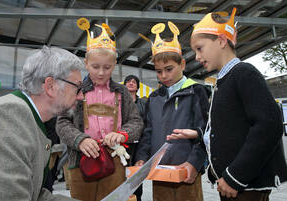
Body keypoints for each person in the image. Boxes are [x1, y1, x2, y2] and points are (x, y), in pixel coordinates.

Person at [167, 8, 287, 201]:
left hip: (246, 186)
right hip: (233, 185)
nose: (197, 57)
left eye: (200, 48)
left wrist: (235, 177)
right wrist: (199, 134)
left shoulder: (244, 73)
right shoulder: (223, 81)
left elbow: (269, 125)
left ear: (221, 41)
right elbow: (233, 127)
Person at [56, 18, 143, 201]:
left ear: (115, 65)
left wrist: (122, 134)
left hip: (115, 161)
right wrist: (80, 140)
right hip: (81, 163)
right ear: (86, 63)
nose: (101, 72)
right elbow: (62, 123)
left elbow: (136, 122)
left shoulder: (122, 92)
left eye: (107, 67)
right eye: (95, 67)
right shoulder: (77, 90)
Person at [0, 46, 84, 201]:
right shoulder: (8, 115)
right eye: (78, 88)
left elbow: (35, 194)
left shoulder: (27, 117)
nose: (81, 97)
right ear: (50, 86)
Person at [135, 21, 209, 201]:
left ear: (182, 64)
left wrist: (194, 163)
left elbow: (204, 132)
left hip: (186, 170)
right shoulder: (153, 98)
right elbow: (148, 131)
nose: (163, 76)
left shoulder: (196, 91)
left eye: (169, 69)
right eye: (158, 71)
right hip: (159, 171)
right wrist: (142, 158)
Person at [123, 74, 146, 201]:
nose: (131, 83)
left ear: (137, 86)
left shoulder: (142, 103)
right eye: (128, 81)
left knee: (137, 175)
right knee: (123, 176)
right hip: (123, 144)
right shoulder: (120, 102)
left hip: (139, 144)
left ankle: (138, 197)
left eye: (134, 82)